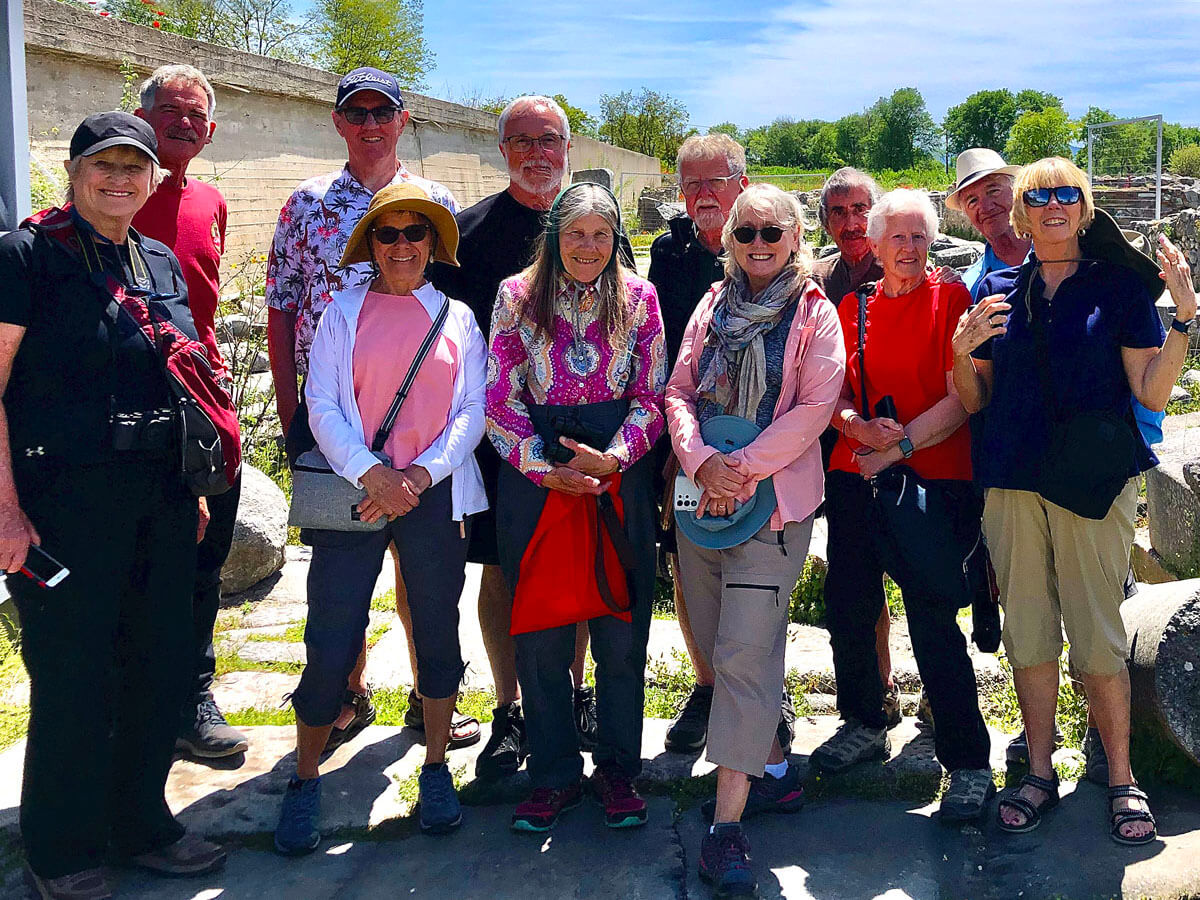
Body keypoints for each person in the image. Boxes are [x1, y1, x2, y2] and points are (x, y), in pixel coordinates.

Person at [0, 111, 226, 900]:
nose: (121, 178)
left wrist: (192, 488)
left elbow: (181, 374)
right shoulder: (27, 255)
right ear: (73, 171)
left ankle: (140, 823)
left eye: (136, 166)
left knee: (158, 663)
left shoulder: (158, 259)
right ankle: (59, 847)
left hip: (160, 496)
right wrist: (4, 512)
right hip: (62, 501)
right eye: (105, 165)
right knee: (73, 672)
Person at [953, 156, 1195, 845]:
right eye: (1039, 196)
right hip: (1012, 479)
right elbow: (978, 401)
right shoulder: (1000, 287)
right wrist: (959, 353)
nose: (1053, 205)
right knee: (1028, 630)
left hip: (1092, 484)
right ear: (1023, 212)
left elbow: (1150, 392)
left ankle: (1120, 776)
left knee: (1098, 632)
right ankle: (1037, 771)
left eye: (1067, 194)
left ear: (1084, 210)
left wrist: (1184, 316)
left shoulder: (1118, 287)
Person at [273, 182, 487, 855]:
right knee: (332, 630)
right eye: (387, 234)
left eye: (414, 234)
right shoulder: (342, 310)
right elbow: (323, 404)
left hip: (431, 494)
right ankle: (305, 778)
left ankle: (433, 767)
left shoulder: (456, 318)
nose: (401, 246)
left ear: (433, 244)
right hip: (354, 492)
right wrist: (375, 474)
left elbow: (471, 411)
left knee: (435, 628)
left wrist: (416, 476)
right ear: (371, 243)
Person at [265, 67, 469, 752]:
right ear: (340, 123)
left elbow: (448, 316)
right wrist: (295, 410)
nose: (371, 123)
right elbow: (283, 305)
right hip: (333, 426)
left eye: (384, 111)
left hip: (416, 434)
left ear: (403, 120)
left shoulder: (434, 200)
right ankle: (345, 695)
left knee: (423, 575)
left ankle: (425, 692)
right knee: (338, 581)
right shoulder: (306, 204)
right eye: (358, 112)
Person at [429, 96, 633, 776]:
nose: (537, 151)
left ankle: (569, 695)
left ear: (567, 148)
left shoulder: (603, 225)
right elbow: (446, 340)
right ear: (502, 150)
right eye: (522, 140)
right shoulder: (468, 232)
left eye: (549, 139)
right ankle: (511, 706)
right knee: (502, 571)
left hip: (586, 435)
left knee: (575, 564)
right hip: (500, 433)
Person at [665, 183, 845, 899]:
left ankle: (725, 827)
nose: (760, 244)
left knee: (744, 654)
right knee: (716, 646)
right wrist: (699, 460)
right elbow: (678, 391)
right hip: (703, 500)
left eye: (774, 232)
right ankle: (772, 770)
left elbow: (815, 408)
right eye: (747, 234)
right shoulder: (712, 306)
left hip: (769, 508)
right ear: (729, 241)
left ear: (796, 237)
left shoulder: (814, 313)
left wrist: (737, 468)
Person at [485, 182, 665, 833]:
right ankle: (553, 773)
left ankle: (618, 769)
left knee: (621, 626)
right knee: (541, 632)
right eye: (576, 234)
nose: (588, 247)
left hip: (617, 479)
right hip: (537, 483)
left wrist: (614, 459)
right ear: (554, 237)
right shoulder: (514, 296)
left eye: (600, 234)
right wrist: (543, 466)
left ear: (615, 237)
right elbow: (499, 398)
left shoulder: (640, 300)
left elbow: (652, 392)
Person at [817, 189, 994, 823]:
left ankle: (969, 761)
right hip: (857, 473)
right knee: (851, 601)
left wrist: (903, 445)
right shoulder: (851, 305)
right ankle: (865, 720)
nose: (911, 249)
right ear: (876, 240)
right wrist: (855, 428)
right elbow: (831, 391)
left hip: (933, 478)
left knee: (931, 617)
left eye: (921, 237)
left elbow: (965, 396)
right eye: (899, 237)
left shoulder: (952, 300)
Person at [650, 134, 796, 757]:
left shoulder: (779, 262)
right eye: (691, 185)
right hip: (688, 445)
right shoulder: (670, 252)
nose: (702, 195)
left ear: (741, 183)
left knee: (760, 578)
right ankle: (709, 686)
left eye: (714, 182)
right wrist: (681, 450)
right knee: (694, 565)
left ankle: (767, 696)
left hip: (765, 453)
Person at [131, 63, 249, 760]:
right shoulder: (112, 197)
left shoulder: (208, 200)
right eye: (169, 110)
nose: (183, 122)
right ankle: (132, 703)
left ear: (210, 131)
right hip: (128, 407)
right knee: (140, 561)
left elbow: (196, 305)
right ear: (142, 115)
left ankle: (191, 695)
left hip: (201, 411)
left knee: (205, 559)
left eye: (195, 115)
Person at [808, 167, 908, 727]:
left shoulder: (900, 264)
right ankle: (876, 690)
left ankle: (939, 699)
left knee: (919, 574)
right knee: (854, 578)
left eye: (859, 210)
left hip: (905, 443)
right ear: (826, 221)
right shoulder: (818, 280)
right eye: (838, 213)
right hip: (836, 447)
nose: (851, 223)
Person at [944, 148, 1029, 298]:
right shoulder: (971, 288)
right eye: (972, 201)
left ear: (1016, 192)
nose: (986, 207)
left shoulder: (1060, 254)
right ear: (965, 213)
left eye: (993, 191)